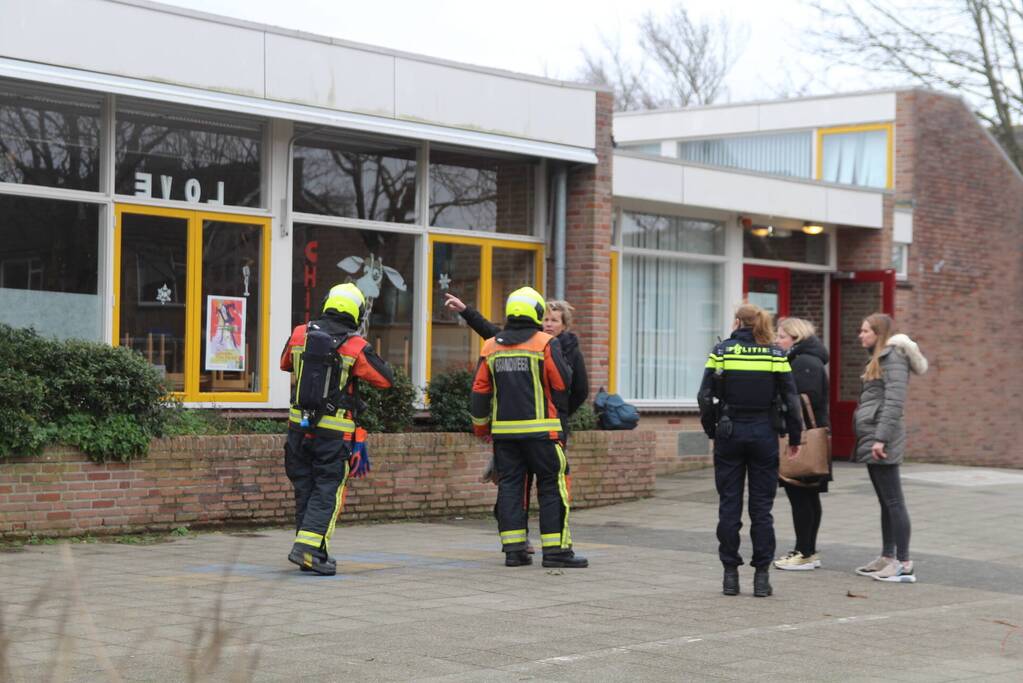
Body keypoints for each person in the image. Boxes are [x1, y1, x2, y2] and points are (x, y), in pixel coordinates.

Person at [445, 293, 589, 552]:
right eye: (545, 318)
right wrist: (467, 311)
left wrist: (559, 414)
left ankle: (515, 549)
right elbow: (563, 384)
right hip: (544, 434)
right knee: (543, 487)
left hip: (515, 432)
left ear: (564, 325)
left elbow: (579, 390)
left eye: (554, 320)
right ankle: (545, 549)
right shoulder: (532, 344)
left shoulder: (555, 347)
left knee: (514, 485)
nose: (548, 323)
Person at [279, 283, 394, 575]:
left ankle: (311, 553)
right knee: (327, 491)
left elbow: (284, 364)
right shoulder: (354, 346)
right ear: (356, 312)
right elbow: (385, 379)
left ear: (327, 302)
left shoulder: (299, 334)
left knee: (305, 489)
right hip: (333, 434)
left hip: (297, 430)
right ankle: (307, 550)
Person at [698, 303, 803, 597]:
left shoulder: (722, 352)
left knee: (729, 505)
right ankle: (761, 577)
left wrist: (712, 429)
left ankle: (730, 576)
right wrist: (795, 437)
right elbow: (791, 398)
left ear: (737, 322)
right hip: (764, 435)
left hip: (730, 432)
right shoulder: (775, 354)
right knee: (762, 509)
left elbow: (705, 396)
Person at [852, 313, 928, 583]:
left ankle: (904, 564)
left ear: (878, 333)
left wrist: (881, 439)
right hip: (874, 435)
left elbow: (894, 403)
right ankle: (887, 557)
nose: (861, 335)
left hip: (883, 438)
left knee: (894, 501)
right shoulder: (879, 357)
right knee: (886, 502)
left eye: (865, 331)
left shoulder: (893, 357)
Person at [772, 317, 832, 572]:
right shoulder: (805, 359)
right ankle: (807, 550)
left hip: (805, 440)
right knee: (807, 496)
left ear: (795, 337)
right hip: (811, 438)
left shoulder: (804, 362)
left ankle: (804, 551)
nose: (777, 339)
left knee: (801, 496)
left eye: (782, 335)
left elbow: (804, 399)